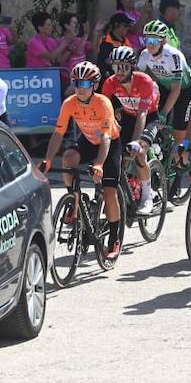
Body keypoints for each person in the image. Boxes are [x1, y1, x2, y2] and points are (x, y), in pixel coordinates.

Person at [35, 62, 123, 259]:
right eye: (77, 83)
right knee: (68, 159)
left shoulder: (102, 103)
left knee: (110, 193)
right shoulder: (69, 103)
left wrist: (99, 164)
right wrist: (48, 160)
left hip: (109, 143)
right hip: (88, 140)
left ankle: (114, 239)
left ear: (94, 85)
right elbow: (58, 133)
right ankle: (73, 200)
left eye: (85, 83)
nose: (80, 88)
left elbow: (106, 138)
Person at [100, 45, 161, 215]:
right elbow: (105, 110)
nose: (119, 71)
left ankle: (147, 196)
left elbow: (142, 114)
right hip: (127, 116)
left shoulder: (144, 81)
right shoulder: (110, 83)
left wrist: (136, 142)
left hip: (149, 117)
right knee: (119, 156)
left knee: (139, 152)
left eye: (124, 66)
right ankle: (124, 191)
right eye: (116, 66)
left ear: (132, 66)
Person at [137, 19, 191, 147]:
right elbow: (137, 78)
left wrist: (164, 113)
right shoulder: (145, 54)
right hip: (164, 87)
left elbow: (176, 89)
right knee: (156, 123)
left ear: (163, 41)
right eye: (147, 40)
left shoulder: (174, 55)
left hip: (183, 90)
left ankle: (179, 156)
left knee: (179, 128)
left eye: (154, 41)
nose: (150, 45)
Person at [57, 12, 94, 76]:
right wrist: (85, 34)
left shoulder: (80, 40)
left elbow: (92, 47)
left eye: (77, 23)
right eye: (74, 23)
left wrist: (96, 32)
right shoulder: (61, 41)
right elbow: (60, 60)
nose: (77, 25)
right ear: (66, 26)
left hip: (82, 77)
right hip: (68, 78)